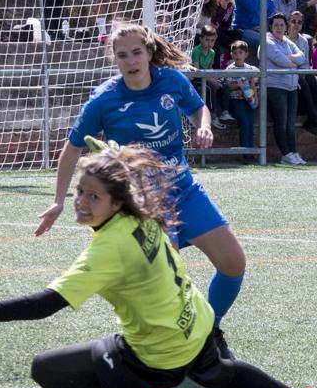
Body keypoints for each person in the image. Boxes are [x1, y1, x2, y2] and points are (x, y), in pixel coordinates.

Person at [0, 145, 317, 388]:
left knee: (46, 370)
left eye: (93, 197)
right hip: (199, 327)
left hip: (157, 356)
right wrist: (110, 159)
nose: (81, 202)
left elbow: (46, 304)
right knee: (220, 372)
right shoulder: (143, 212)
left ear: (116, 203)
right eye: (80, 192)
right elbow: (131, 178)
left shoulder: (108, 249)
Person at [36, 24, 247, 356]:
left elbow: (197, 108)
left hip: (184, 190)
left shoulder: (171, 80)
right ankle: (174, 351)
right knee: (168, 285)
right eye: (122, 55)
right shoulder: (104, 99)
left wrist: (203, 126)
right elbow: (72, 148)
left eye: (137, 52)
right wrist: (58, 202)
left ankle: (210, 330)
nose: (131, 60)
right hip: (144, 206)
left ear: (149, 52)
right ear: (115, 59)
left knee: (233, 264)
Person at [263, 13, 307, 165]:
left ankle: (293, 152)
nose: (279, 28)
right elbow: (281, 60)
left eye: (282, 25)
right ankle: (286, 153)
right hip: (275, 87)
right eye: (276, 25)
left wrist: (290, 59)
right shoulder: (266, 42)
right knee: (280, 122)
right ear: (271, 27)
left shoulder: (287, 41)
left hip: (292, 87)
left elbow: (302, 56)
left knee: (290, 124)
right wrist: (291, 61)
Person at [286, 11, 317, 136]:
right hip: (288, 72)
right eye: (293, 21)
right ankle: (315, 117)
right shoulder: (283, 39)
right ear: (288, 22)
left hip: (302, 70)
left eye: (299, 22)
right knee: (303, 83)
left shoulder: (303, 40)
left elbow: (306, 62)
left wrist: (303, 71)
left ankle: (310, 120)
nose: (296, 24)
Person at [223, 41, 258, 149]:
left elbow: (252, 85)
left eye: (240, 52)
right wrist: (239, 85)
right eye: (235, 53)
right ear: (232, 54)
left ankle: (250, 150)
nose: (237, 55)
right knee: (244, 124)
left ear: (246, 54)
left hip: (249, 100)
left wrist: (255, 99)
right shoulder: (230, 69)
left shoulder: (250, 68)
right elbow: (229, 85)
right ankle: (245, 151)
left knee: (250, 125)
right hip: (236, 100)